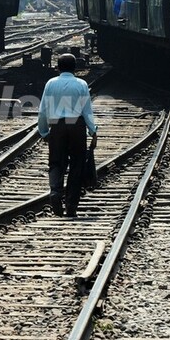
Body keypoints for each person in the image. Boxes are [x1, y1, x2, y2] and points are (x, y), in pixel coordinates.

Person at [37, 53, 98, 217]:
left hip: (57, 126)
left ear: (58, 67)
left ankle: (56, 192)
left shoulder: (51, 84)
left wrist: (43, 131)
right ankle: (71, 206)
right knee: (77, 166)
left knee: (56, 162)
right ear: (75, 68)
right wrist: (93, 131)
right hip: (76, 126)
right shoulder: (81, 84)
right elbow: (87, 111)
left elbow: (43, 110)